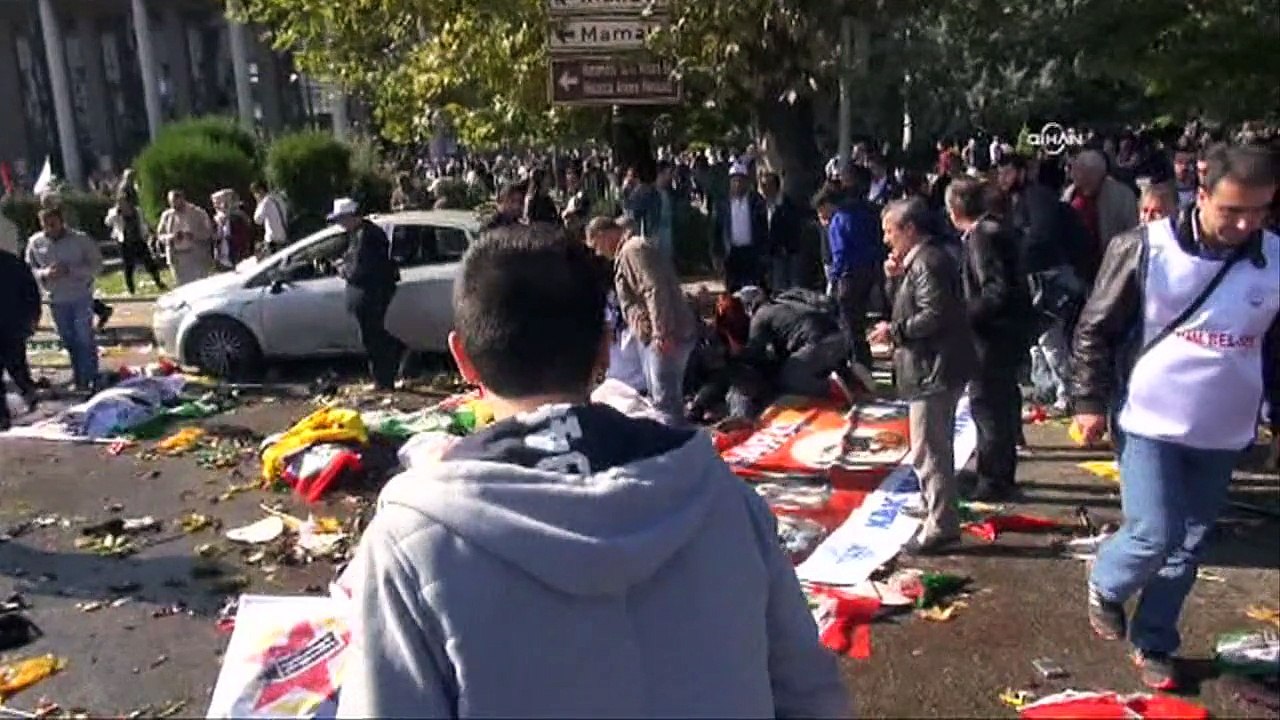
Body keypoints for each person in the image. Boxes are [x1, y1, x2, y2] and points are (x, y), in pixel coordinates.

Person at [335, 222, 849, 718]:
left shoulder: (411, 544)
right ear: (606, 346)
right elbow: (811, 696)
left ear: (463, 360)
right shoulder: (722, 498)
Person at [1072, 144, 1280, 691]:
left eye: (1258, 212)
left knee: (1188, 544)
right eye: (1232, 210)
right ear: (1203, 193)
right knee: (1155, 531)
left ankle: (1155, 641)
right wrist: (1088, 401)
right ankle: (1107, 580)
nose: (1244, 224)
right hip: (1150, 418)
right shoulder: (1145, 248)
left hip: (1225, 426)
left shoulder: (1275, 259)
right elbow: (1095, 328)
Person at [868, 198, 974, 554]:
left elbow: (933, 314)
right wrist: (894, 278)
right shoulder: (918, 262)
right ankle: (936, 508)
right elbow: (907, 304)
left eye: (889, 231)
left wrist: (895, 332)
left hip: (934, 367)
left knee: (929, 449)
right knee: (930, 446)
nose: (886, 239)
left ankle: (942, 525)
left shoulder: (929, 261)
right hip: (931, 365)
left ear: (910, 229)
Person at [946, 178, 1032, 501]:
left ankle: (994, 479)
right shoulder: (996, 230)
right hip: (1005, 334)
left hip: (991, 338)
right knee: (1001, 404)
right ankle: (995, 470)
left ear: (954, 210)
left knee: (989, 405)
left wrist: (963, 317)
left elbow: (995, 290)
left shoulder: (984, 237)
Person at [594, 216, 697, 425]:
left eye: (595, 244)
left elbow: (654, 288)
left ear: (604, 234)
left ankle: (674, 448)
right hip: (653, 334)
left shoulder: (633, 250)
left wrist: (662, 331)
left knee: (664, 402)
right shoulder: (627, 253)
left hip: (664, 334)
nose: (597, 252)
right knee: (662, 399)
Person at [24, 208, 103, 392]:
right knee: (69, 340)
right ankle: (79, 376)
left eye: (53, 224)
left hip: (80, 296)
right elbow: (29, 270)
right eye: (46, 225)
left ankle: (91, 377)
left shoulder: (80, 239)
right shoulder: (36, 243)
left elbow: (97, 264)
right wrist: (45, 273)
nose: (50, 228)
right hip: (56, 300)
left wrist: (71, 270)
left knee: (84, 337)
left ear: (61, 221)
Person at [331, 198, 401, 391]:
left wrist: (341, 269)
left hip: (371, 292)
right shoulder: (360, 233)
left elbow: (357, 270)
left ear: (351, 216)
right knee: (372, 335)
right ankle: (387, 371)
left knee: (372, 338)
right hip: (369, 291)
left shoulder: (367, 236)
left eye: (341, 219)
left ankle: (385, 379)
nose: (340, 224)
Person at [815, 180, 881, 371]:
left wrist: (833, 278)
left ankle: (857, 364)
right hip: (869, 271)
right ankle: (865, 361)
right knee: (860, 320)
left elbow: (840, 253)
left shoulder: (838, 220)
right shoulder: (863, 212)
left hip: (849, 276)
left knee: (849, 324)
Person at [741, 287, 847, 399]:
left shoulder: (760, 316)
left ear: (748, 306)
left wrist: (737, 355)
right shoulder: (784, 300)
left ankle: (832, 387)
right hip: (839, 335)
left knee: (788, 378)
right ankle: (844, 374)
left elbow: (754, 353)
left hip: (820, 343)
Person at [1063, 149, 1139, 286]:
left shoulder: (1123, 197)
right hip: (1077, 269)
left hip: (1112, 268)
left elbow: (1133, 233)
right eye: (1075, 171)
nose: (1075, 176)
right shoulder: (1070, 195)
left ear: (1097, 174)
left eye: (1082, 172)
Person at [0, 225, 42, 427]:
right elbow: (32, 293)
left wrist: (32, 317)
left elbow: (30, 292)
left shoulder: (12, 264)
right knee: (17, 366)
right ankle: (6, 413)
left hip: (11, 324)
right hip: (14, 324)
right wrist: (32, 317)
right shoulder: (14, 263)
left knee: (16, 366)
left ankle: (26, 394)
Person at [711, 163, 769, 291]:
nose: (737, 184)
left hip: (752, 253)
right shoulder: (722, 204)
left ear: (746, 182)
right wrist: (716, 256)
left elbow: (764, 229)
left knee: (753, 290)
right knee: (733, 292)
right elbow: (716, 231)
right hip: (731, 254)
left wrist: (764, 254)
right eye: (734, 180)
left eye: (740, 180)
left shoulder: (756, 201)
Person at [104, 192, 166, 295]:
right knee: (129, 266)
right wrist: (116, 214)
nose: (122, 204)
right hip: (124, 243)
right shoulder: (114, 212)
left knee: (149, 262)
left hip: (138, 240)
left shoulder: (137, 211)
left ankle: (158, 282)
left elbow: (142, 223)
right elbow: (107, 222)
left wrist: (148, 232)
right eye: (120, 202)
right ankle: (131, 288)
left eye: (124, 202)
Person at [157, 189, 214, 286]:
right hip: (176, 256)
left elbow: (208, 232)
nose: (173, 205)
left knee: (199, 285)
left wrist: (193, 235)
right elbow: (160, 235)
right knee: (181, 286)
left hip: (195, 255)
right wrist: (170, 237)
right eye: (171, 203)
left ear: (182, 199)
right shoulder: (167, 215)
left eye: (175, 202)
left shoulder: (198, 213)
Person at [760, 171, 806, 292]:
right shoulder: (762, 205)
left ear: (775, 186)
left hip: (787, 252)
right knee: (774, 286)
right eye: (762, 185)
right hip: (771, 252)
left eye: (767, 185)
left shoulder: (787, 204)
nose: (764, 189)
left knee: (789, 287)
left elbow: (793, 227)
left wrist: (785, 246)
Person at [211, 189, 254, 269]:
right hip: (222, 261)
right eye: (214, 203)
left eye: (218, 203)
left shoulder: (238, 217)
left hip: (238, 259)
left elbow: (244, 238)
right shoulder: (217, 220)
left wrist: (228, 237)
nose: (215, 206)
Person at [251, 181, 289, 254]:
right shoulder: (278, 198)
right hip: (285, 237)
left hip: (273, 241)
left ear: (260, 191)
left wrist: (259, 203)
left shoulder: (265, 202)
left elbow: (257, 220)